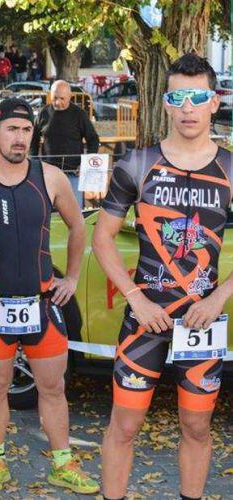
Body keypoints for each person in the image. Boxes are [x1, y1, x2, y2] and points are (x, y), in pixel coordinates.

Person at [93, 53, 233, 500]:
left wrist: (217, 299)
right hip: (145, 317)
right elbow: (102, 239)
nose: (188, 107)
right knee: (125, 424)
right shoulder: (136, 164)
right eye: (178, 97)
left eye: (198, 97)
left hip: (202, 320)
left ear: (214, 101)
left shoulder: (231, 168)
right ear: (166, 103)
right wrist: (135, 297)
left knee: (196, 425)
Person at [0, 98, 97, 494]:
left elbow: (78, 227)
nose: (19, 138)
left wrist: (70, 277)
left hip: (41, 301)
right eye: (11, 130)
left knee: (53, 388)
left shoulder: (50, 176)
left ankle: (63, 462)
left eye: (25, 130)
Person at [30, 80, 100, 207]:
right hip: (48, 172)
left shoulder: (79, 114)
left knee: (75, 211)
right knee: (48, 210)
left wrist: (86, 165)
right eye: (54, 98)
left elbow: (93, 139)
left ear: (70, 97)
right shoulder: (43, 113)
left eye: (62, 98)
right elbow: (33, 140)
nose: (58, 102)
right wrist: (34, 163)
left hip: (72, 172)